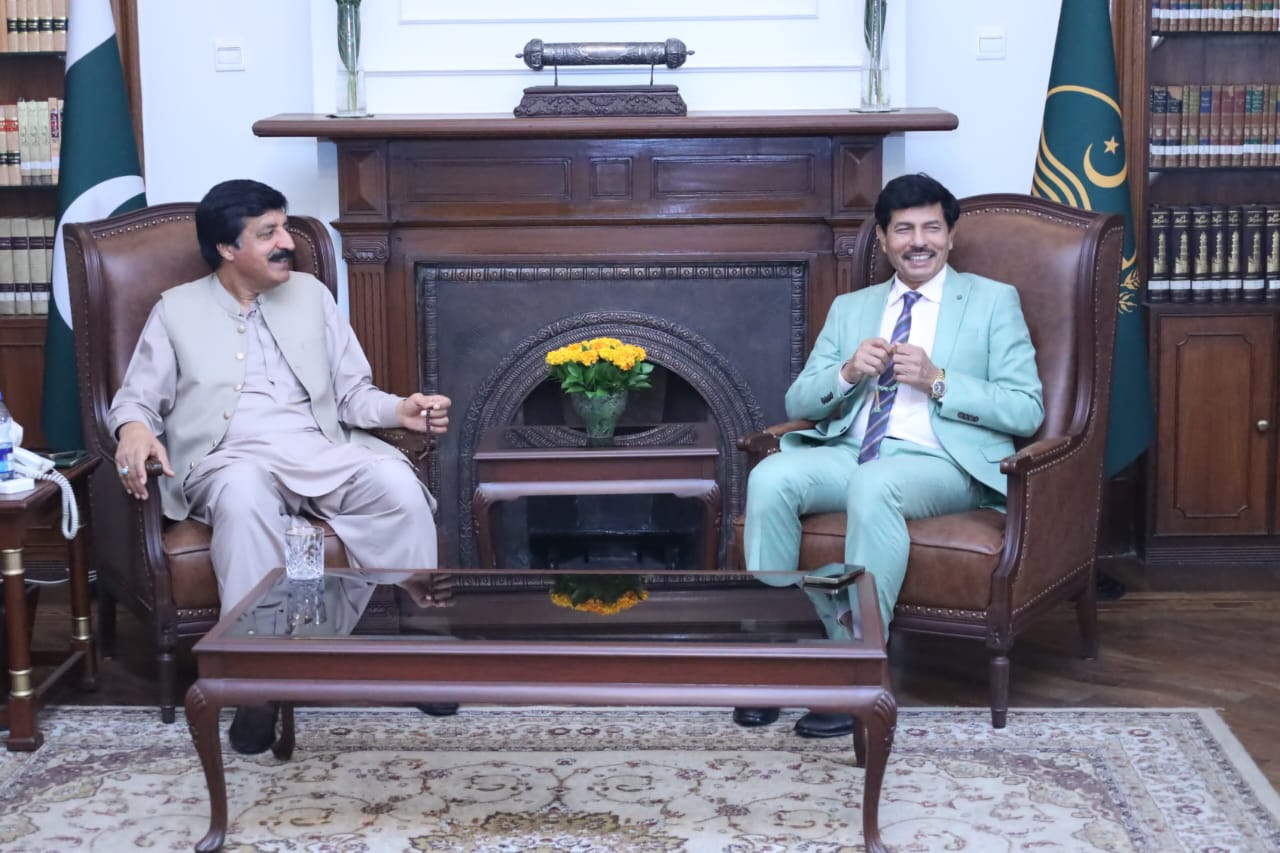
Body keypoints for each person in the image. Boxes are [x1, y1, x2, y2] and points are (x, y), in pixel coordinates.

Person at [109, 178, 455, 753]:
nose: (287, 242)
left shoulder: (312, 295)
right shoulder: (176, 310)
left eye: (286, 228)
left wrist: (400, 410)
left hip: (319, 447)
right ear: (227, 248)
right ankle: (257, 681)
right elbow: (136, 400)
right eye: (268, 232)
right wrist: (135, 430)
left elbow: (352, 394)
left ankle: (418, 647)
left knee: (397, 482)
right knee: (243, 496)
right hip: (229, 457)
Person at [737, 173, 1044, 738]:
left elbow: (1026, 409)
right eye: (903, 229)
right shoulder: (852, 308)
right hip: (850, 449)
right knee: (771, 476)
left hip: (942, 462)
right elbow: (798, 401)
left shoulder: (992, 301)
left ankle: (856, 671)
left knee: (875, 483)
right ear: (882, 239)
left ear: (951, 235)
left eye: (931, 227)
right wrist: (847, 372)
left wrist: (938, 380)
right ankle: (776, 659)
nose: (918, 241)